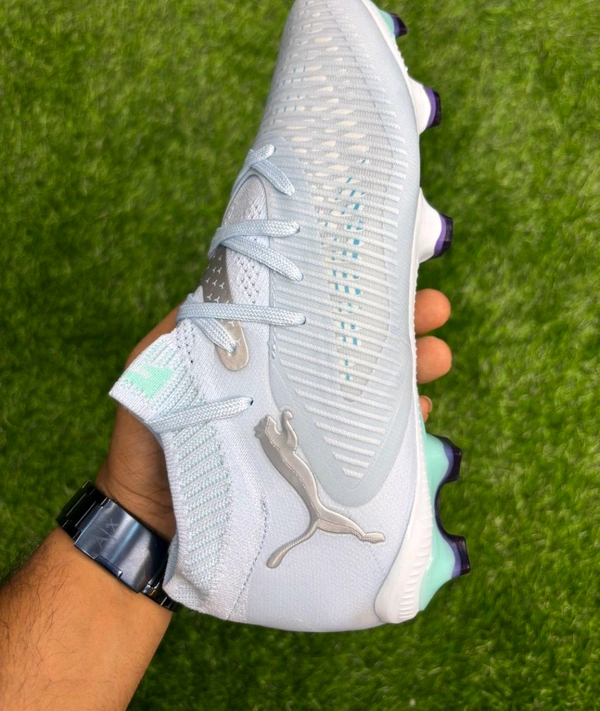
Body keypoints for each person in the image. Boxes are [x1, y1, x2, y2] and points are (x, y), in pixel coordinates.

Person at [0, 289, 451, 710]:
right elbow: (286, 437)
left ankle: (359, 539)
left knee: (326, 514)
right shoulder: (271, 438)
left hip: (284, 487)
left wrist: (141, 504)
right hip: (300, 486)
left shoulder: (268, 439)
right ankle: (366, 541)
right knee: (327, 513)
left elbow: (283, 438)